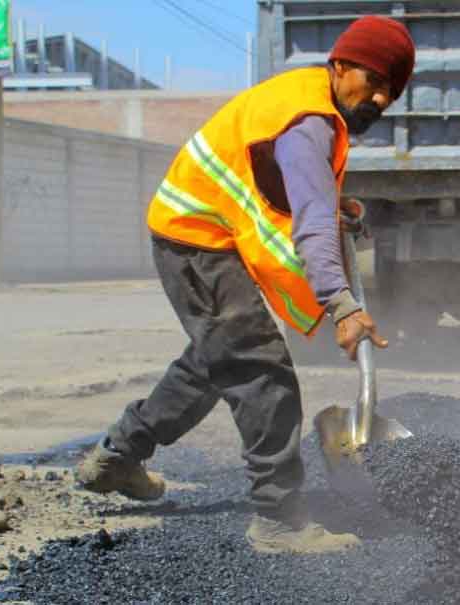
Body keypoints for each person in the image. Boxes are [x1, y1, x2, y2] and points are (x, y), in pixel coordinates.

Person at [74, 16, 416, 554]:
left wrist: (333, 202)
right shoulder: (308, 124)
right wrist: (341, 304)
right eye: (372, 80)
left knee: (216, 361)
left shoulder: (313, 99)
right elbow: (309, 220)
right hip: (194, 239)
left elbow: (293, 189)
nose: (378, 97)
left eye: (390, 91)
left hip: (209, 233)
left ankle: (117, 456)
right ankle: (279, 522)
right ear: (341, 64)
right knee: (261, 371)